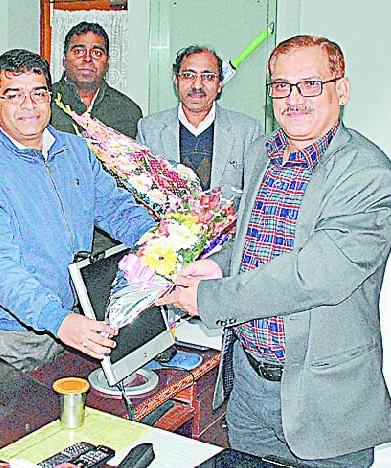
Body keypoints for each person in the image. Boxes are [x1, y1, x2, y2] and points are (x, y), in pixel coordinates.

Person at [158, 36, 391, 466]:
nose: (293, 99)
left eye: (310, 84)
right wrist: (218, 266)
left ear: (342, 89)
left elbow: (313, 276)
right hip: (249, 389)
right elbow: (254, 241)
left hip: (324, 402)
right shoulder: (262, 152)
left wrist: (209, 299)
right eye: (281, 86)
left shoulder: (368, 172)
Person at [0, 49, 154, 372]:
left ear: (49, 96)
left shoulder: (75, 149)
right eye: (13, 95)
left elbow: (116, 208)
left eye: (38, 93)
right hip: (13, 336)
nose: (29, 105)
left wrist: (159, 244)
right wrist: (57, 319)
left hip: (74, 318)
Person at [137, 46, 263, 203]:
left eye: (208, 77)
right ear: (176, 80)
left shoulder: (247, 131)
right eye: (188, 75)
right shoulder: (149, 130)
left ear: (220, 84)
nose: (197, 85)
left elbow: (255, 197)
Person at [50, 21, 142, 139]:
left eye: (96, 53)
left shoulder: (127, 111)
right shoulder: (45, 103)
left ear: (107, 63)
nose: (87, 58)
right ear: (64, 59)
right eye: (78, 51)